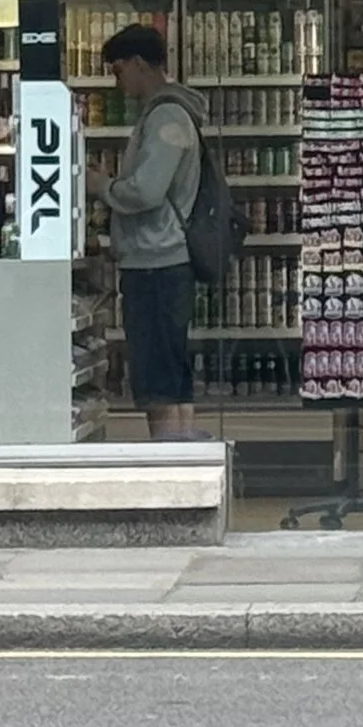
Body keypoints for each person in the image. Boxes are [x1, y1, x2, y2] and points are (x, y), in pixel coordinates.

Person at [90, 22, 210, 442]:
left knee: (157, 376)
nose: (117, 81)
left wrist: (102, 186)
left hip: (156, 262)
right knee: (172, 371)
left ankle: (167, 462)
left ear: (140, 64)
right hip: (164, 260)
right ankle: (183, 456)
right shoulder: (172, 113)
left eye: (119, 70)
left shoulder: (166, 117)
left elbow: (147, 190)